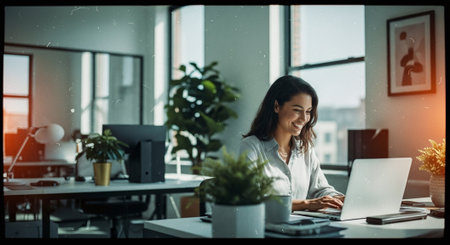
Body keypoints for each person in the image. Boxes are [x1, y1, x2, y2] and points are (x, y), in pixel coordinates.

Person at [239, 75, 344, 211]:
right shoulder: (251, 146)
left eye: (308, 111)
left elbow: (320, 190)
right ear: (276, 106)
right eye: (297, 110)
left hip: (301, 227)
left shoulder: (305, 149)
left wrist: (341, 199)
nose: (304, 118)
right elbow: (252, 199)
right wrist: (306, 204)